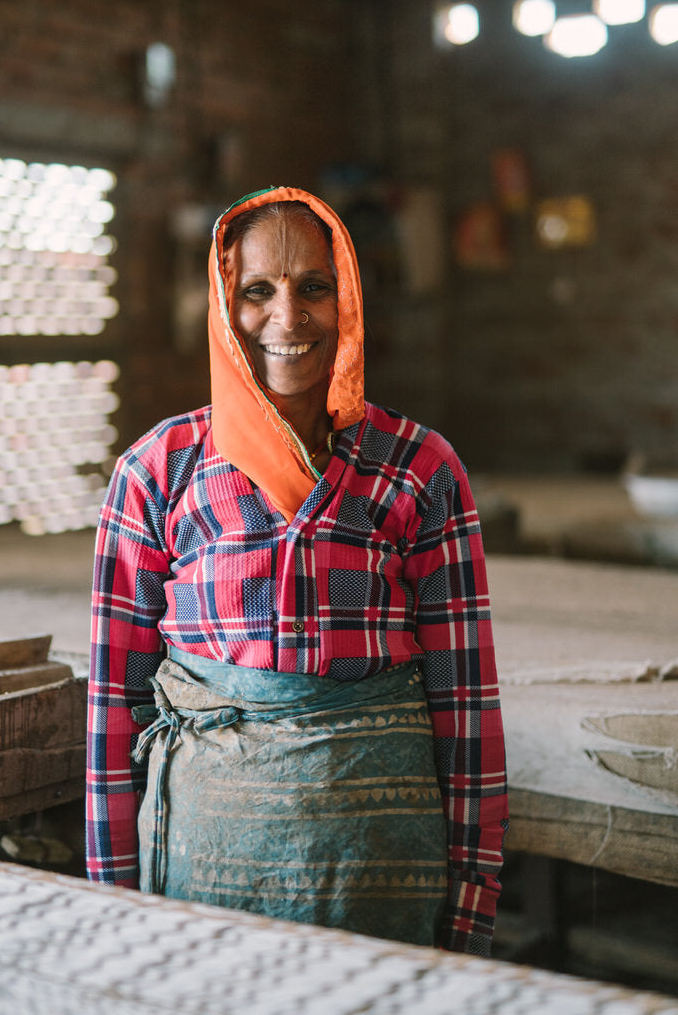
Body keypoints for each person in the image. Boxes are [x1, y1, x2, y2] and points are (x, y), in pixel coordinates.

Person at [86, 185, 508, 956]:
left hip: (380, 860)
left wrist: (472, 897)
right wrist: (115, 896)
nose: (289, 317)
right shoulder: (159, 469)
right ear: (222, 306)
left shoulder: (420, 467)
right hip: (205, 861)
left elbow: (466, 698)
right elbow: (116, 699)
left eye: (315, 286)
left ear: (346, 299)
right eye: (257, 292)